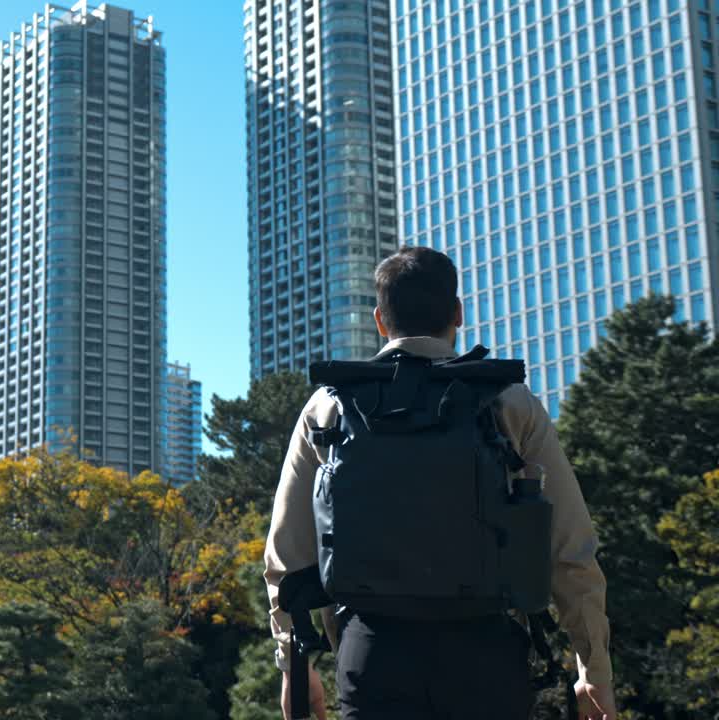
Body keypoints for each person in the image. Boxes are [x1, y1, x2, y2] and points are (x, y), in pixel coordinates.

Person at [264, 247, 616, 720]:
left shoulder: (329, 406)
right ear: (458, 314)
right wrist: (593, 667)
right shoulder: (509, 403)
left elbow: (286, 555)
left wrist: (293, 665)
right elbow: (571, 551)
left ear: (380, 321)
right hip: (486, 653)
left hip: (372, 653)